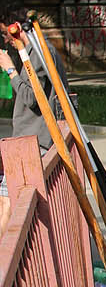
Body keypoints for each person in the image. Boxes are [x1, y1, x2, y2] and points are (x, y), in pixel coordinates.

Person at [0, 13, 70, 236]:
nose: (5, 40)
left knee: (8, 202)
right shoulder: (36, 51)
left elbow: (33, 98)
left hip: (33, 140)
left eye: (5, 33)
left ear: (16, 27)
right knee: (7, 200)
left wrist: (10, 70)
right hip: (33, 138)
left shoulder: (38, 53)